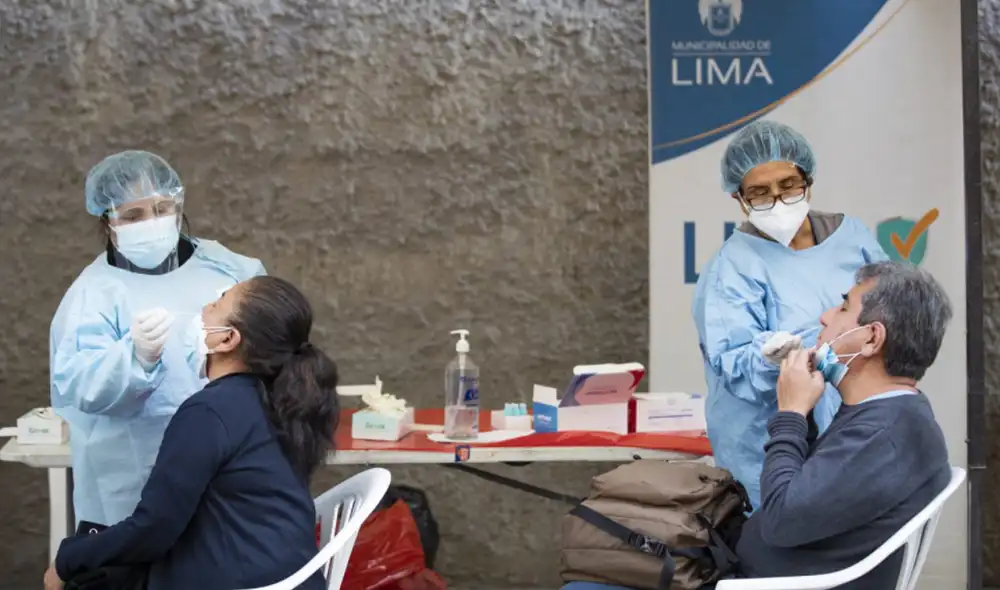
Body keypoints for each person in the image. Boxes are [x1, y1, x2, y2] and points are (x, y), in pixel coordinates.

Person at [45, 276, 339, 590]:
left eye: (216, 303)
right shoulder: (281, 402)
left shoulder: (210, 411)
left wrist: (65, 559)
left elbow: (153, 530)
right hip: (289, 575)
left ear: (227, 339)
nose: (203, 309)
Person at [50, 150, 266, 529]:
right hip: (134, 476)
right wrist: (134, 358)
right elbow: (77, 386)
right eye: (132, 215)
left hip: (227, 461)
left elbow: (272, 340)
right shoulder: (94, 292)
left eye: (163, 208)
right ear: (108, 220)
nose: (151, 222)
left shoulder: (228, 269)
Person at [692, 120, 888, 508]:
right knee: (785, 540)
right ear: (740, 198)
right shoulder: (731, 267)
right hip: (772, 440)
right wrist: (769, 358)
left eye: (788, 185)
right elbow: (732, 362)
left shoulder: (852, 238)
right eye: (760, 193)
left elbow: (893, 310)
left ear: (807, 181)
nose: (778, 200)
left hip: (856, 423)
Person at [736, 260, 952, 588]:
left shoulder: (884, 436)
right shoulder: (891, 416)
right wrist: (803, 414)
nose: (825, 316)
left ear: (871, 339)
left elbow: (780, 519)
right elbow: (815, 491)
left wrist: (792, 412)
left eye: (843, 307)